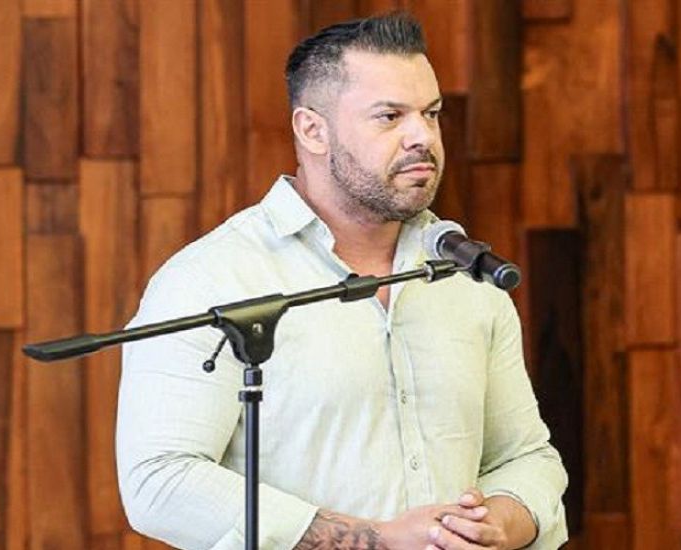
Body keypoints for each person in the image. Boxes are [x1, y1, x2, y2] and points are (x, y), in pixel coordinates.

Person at [116, 12, 568, 550]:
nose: (422, 136)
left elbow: (526, 457)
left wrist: (495, 524)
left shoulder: (466, 275)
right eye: (390, 116)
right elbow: (160, 481)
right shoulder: (213, 279)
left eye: (431, 113)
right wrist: (378, 540)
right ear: (312, 130)